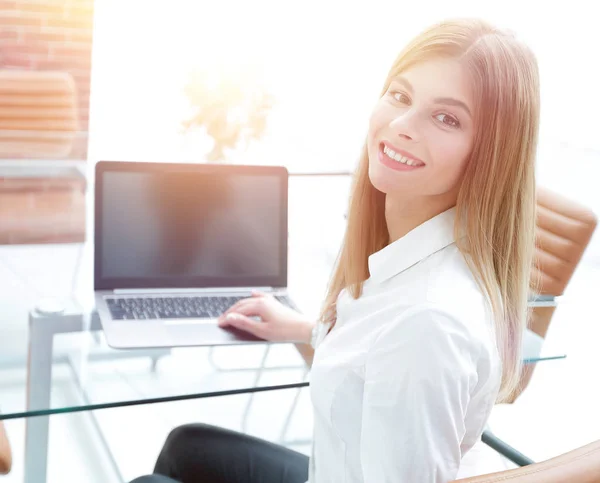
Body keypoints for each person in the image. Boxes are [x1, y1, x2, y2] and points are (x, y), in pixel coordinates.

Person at [131, 16, 540, 483]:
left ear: (491, 154)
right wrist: (305, 328)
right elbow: (375, 351)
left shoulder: (428, 326)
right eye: (401, 95)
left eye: (447, 117)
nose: (402, 125)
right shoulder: (408, 257)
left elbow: (403, 348)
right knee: (188, 446)